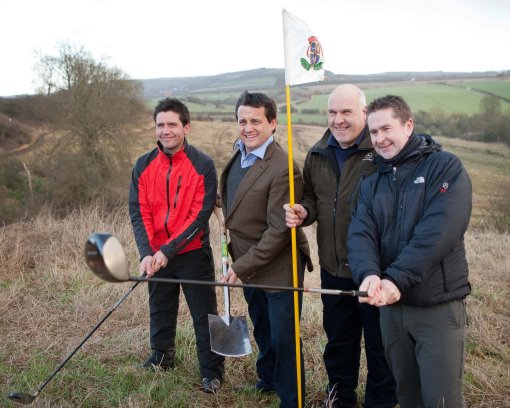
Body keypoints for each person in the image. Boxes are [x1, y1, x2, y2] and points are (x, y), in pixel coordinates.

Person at [348, 95, 472, 408]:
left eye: (386, 128)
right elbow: (361, 233)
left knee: (441, 400)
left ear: (408, 125)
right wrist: (368, 275)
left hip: (436, 307)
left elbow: (437, 234)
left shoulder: (445, 168)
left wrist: (396, 280)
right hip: (391, 311)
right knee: (407, 396)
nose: (379, 138)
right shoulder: (371, 182)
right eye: (373, 132)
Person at [284, 84, 397, 408]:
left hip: (376, 270)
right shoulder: (318, 154)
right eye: (333, 112)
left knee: (380, 346)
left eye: (347, 112)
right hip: (333, 268)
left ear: (363, 113)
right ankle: (340, 398)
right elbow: (314, 201)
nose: (339, 119)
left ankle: (380, 402)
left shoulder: (380, 153)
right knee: (339, 343)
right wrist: (304, 211)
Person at [219, 90, 313, 408]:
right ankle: (268, 380)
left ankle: (293, 398)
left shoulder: (283, 168)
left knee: (285, 338)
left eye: (256, 121)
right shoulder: (239, 155)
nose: (248, 127)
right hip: (248, 262)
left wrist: (240, 267)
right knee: (263, 326)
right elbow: (238, 199)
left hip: (279, 268)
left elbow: (278, 233)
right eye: (242, 121)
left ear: (272, 123)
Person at [128, 97, 224, 393]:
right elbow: (138, 210)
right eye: (160, 125)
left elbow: (200, 215)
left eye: (172, 124)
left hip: (192, 251)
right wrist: (146, 253)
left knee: (204, 314)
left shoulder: (203, 164)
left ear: (186, 127)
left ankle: (212, 371)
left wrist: (167, 250)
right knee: (160, 306)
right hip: (155, 253)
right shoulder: (143, 165)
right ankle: (161, 356)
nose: (166, 130)